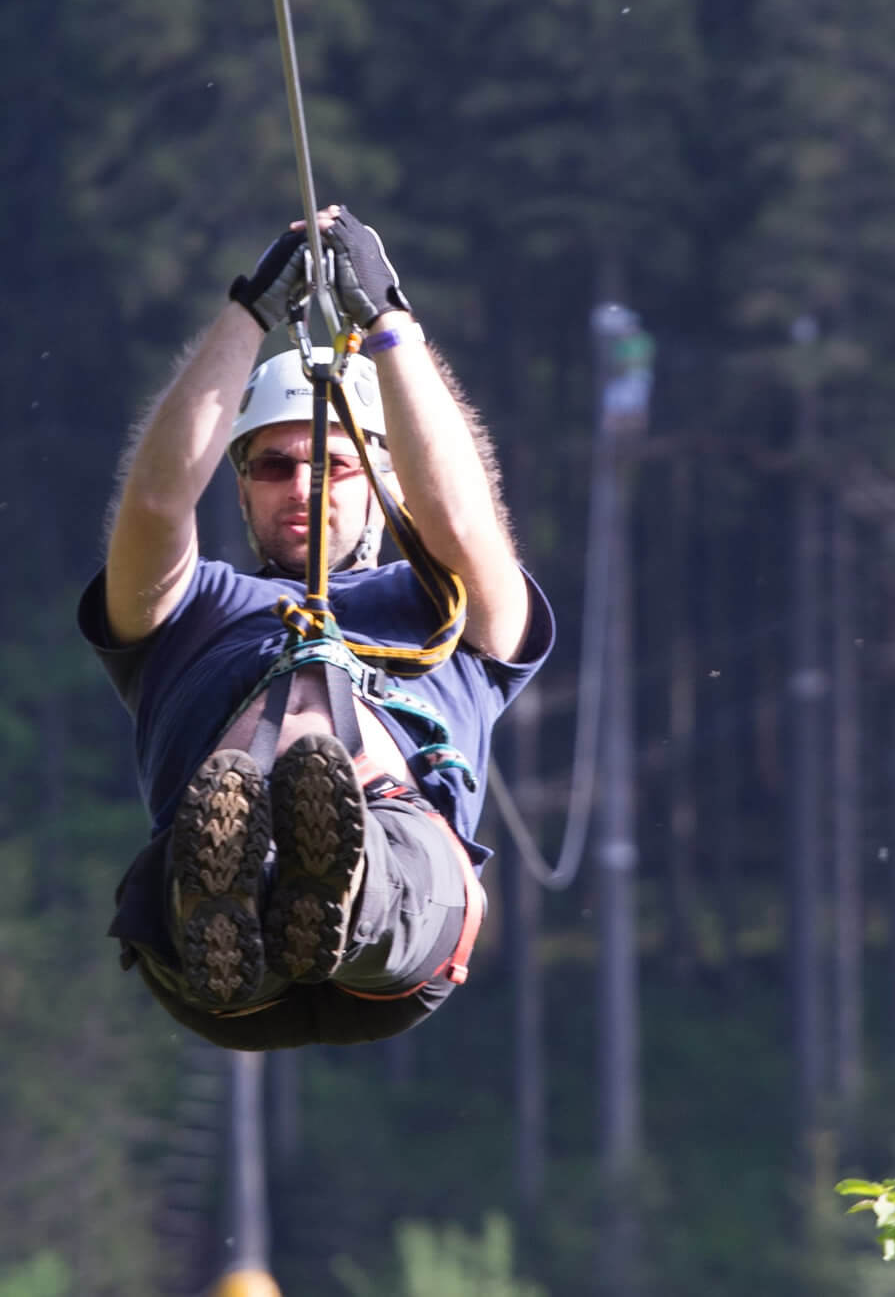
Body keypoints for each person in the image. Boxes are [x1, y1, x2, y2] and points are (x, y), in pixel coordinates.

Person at [79, 206, 553, 1050]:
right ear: (241, 485)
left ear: (379, 479)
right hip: (215, 942)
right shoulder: (190, 612)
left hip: (405, 910)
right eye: (273, 465)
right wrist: (249, 312)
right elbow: (154, 504)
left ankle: (329, 880)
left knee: (369, 839)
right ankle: (259, 888)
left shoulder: (443, 608)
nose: (300, 486)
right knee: (226, 838)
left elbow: (461, 514)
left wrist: (390, 324)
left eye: (331, 465)